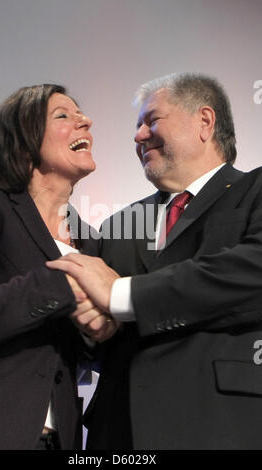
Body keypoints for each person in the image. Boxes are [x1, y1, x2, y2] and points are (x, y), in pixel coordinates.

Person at [48, 73, 262, 450]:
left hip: (222, 424)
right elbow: (90, 338)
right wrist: (91, 326)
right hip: (117, 433)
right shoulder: (116, 225)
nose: (139, 136)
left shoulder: (254, 191)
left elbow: (251, 272)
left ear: (204, 121)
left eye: (151, 120)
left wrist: (120, 295)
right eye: (138, 126)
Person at [0, 84, 115, 450]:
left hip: (59, 439)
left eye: (82, 114)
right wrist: (63, 282)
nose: (85, 121)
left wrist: (101, 333)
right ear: (23, 137)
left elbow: (83, 354)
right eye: (63, 115)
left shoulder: (92, 243)